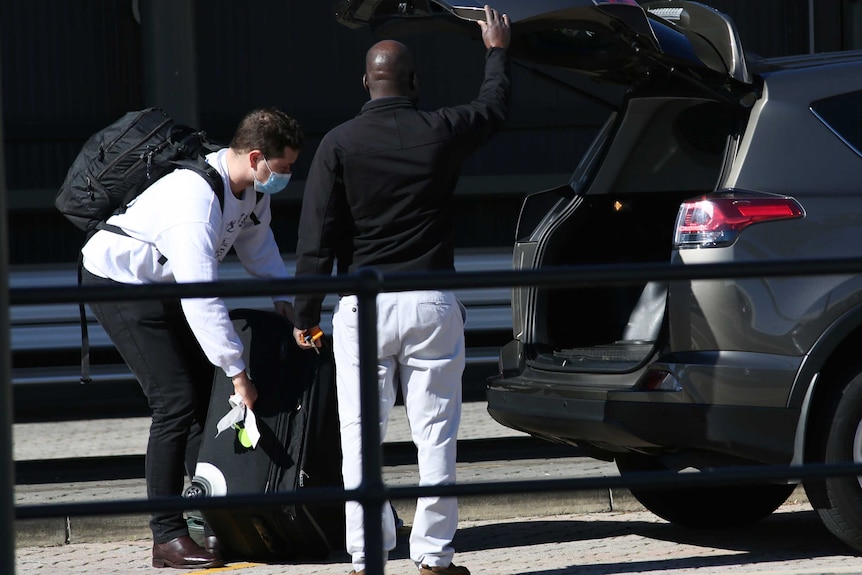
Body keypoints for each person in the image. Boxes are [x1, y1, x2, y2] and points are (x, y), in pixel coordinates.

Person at [292, 6, 511, 575]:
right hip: (431, 303)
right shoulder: (439, 131)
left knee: (360, 439)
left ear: (366, 81)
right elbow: (493, 109)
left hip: (362, 307)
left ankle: (369, 554)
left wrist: (303, 314)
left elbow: (316, 237)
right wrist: (496, 50)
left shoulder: (337, 145)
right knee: (435, 436)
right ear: (414, 82)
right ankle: (435, 560)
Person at [80, 107, 303, 569]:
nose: (287, 176)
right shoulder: (194, 202)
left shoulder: (249, 191)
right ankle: (166, 536)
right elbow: (201, 301)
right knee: (176, 402)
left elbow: (259, 247)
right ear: (257, 156)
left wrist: (288, 305)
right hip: (117, 282)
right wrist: (238, 372)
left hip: (163, 283)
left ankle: (208, 518)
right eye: (284, 168)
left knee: (204, 398)